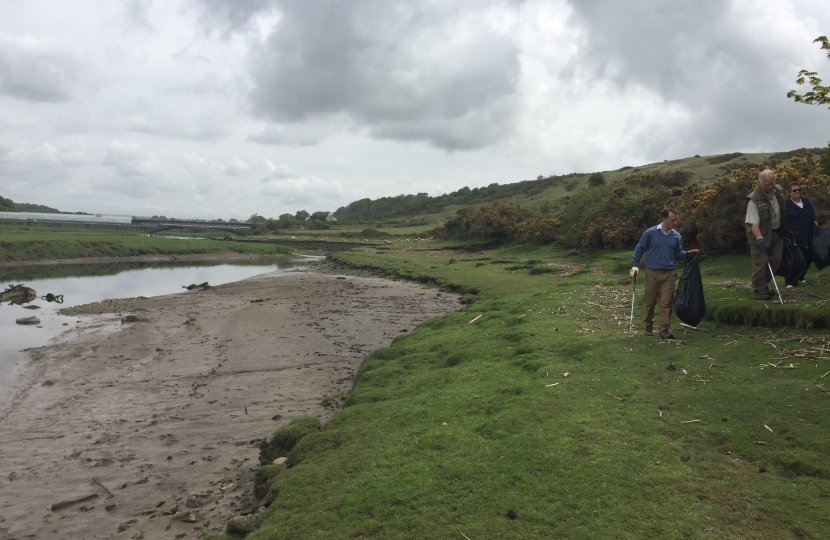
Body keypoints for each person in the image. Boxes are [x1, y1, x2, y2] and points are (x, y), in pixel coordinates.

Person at [630, 208, 697, 339]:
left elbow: (677, 254)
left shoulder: (676, 236)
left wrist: (689, 254)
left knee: (666, 302)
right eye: (673, 220)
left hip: (669, 273)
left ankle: (664, 329)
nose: (676, 222)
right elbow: (639, 249)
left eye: (677, 220)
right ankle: (648, 324)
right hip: (652, 272)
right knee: (651, 301)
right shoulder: (650, 233)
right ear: (664, 219)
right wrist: (634, 265)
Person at [745, 169, 788, 300]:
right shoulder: (754, 200)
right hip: (760, 236)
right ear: (760, 183)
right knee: (760, 264)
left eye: (772, 184)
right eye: (767, 184)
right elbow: (753, 224)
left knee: (776, 260)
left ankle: (764, 284)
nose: (770, 187)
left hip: (777, 233)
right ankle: (759, 290)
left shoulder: (778, 192)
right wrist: (759, 239)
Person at [784, 181, 818, 288]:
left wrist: (816, 223)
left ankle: (801, 276)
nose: (797, 192)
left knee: (809, 256)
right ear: (789, 193)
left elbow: (812, 215)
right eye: (794, 190)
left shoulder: (806, 202)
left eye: (799, 190)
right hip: (795, 236)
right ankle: (790, 281)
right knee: (794, 259)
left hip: (809, 234)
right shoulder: (786, 205)